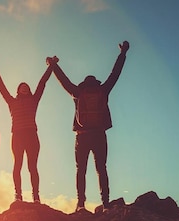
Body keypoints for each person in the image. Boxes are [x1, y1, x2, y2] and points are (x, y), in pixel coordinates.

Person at [48, 41, 130, 212]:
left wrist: (54, 65)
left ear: (84, 84)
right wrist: (123, 53)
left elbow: (64, 80)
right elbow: (116, 73)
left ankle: (80, 205)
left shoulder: (77, 92)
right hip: (99, 134)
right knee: (102, 168)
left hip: (82, 135)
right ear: (96, 83)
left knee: (81, 170)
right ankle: (106, 204)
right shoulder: (103, 90)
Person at [0, 57, 55, 203]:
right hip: (17, 136)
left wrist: (51, 66)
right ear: (18, 90)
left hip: (32, 135)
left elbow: (42, 83)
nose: (25, 87)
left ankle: (36, 196)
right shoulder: (12, 101)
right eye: (22, 86)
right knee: (17, 165)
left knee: (32, 166)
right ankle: (18, 195)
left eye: (27, 86)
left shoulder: (34, 100)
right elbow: (0, 86)